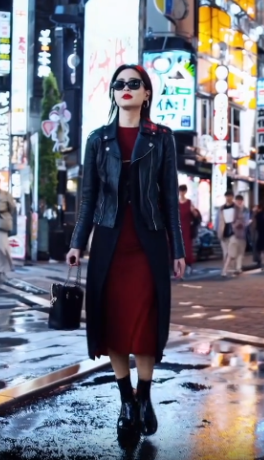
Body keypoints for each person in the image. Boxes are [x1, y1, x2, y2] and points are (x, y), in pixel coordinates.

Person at [66, 64, 185, 438]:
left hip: (148, 241)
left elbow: (169, 199)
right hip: (108, 240)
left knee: (146, 324)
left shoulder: (162, 138)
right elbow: (88, 199)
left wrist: (177, 248)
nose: (126, 89)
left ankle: (145, 396)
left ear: (147, 93)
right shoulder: (97, 140)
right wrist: (76, 242)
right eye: (119, 85)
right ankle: (126, 400)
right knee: (114, 322)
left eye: (134, 84)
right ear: (114, 94)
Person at [215, 191, 246, 277]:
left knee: (231, 252)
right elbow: (218, 220)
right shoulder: (221, 208)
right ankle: (229, 269)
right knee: (226, 252)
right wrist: (217, 230)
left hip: (234, 232)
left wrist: (236, 224)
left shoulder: (237, 208)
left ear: (232, 197)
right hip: (223, 232)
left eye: (230, 196)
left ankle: (224, 270)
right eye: (227, 196)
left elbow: (241, 219)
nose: (228, 198)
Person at [177, 185, 195, 273]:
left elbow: (195, 215)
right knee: (178, 247)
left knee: (187, 247)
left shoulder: (189, 202)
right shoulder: (176, 203)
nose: (182, 192)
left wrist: (193, 211)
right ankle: (179, 266)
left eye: (183, 191)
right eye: (180, 191)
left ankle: (188, 265)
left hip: (187, 228)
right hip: (178, 228)